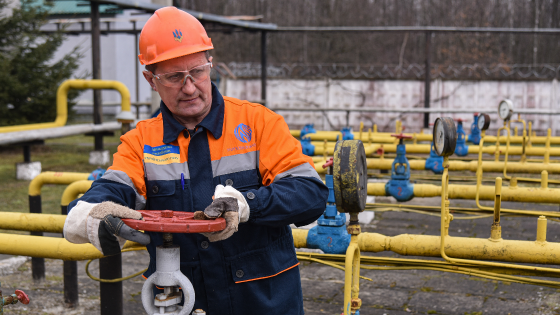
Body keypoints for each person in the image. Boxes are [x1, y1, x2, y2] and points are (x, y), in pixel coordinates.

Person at [63, 6, 328, 314]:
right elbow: (113, 187)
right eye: (174, 77)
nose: (189, 88)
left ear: (210, 65)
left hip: (262, 299)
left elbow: (310, 194)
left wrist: (247, 204)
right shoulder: (142, 140)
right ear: (151, 80)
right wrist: (92, 210)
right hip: (180, 299)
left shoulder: (258, 123)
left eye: (197, 72)